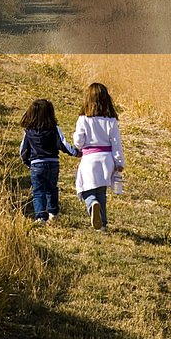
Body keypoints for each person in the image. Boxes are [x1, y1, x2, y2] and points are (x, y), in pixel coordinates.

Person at [73, 82, 124, 233]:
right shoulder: (111, 121)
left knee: (86, 189)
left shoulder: (83, 119)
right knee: (101, 191)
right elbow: (116, 143)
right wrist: (119, 162)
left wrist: (76, 138)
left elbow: (79, 142)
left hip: (89, 159)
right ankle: (102, 224)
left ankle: (92, 204)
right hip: (106, 159)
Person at [20, 98, 79, 223]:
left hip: (36, 165)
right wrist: (75, 152)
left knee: (38, 191)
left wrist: (27, 162)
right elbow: (63, 144)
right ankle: (53, 212)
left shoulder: (29, 131)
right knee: (51, 188)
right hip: (53, 163)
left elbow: (23, 150)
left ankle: (41, 216)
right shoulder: (54, 128)